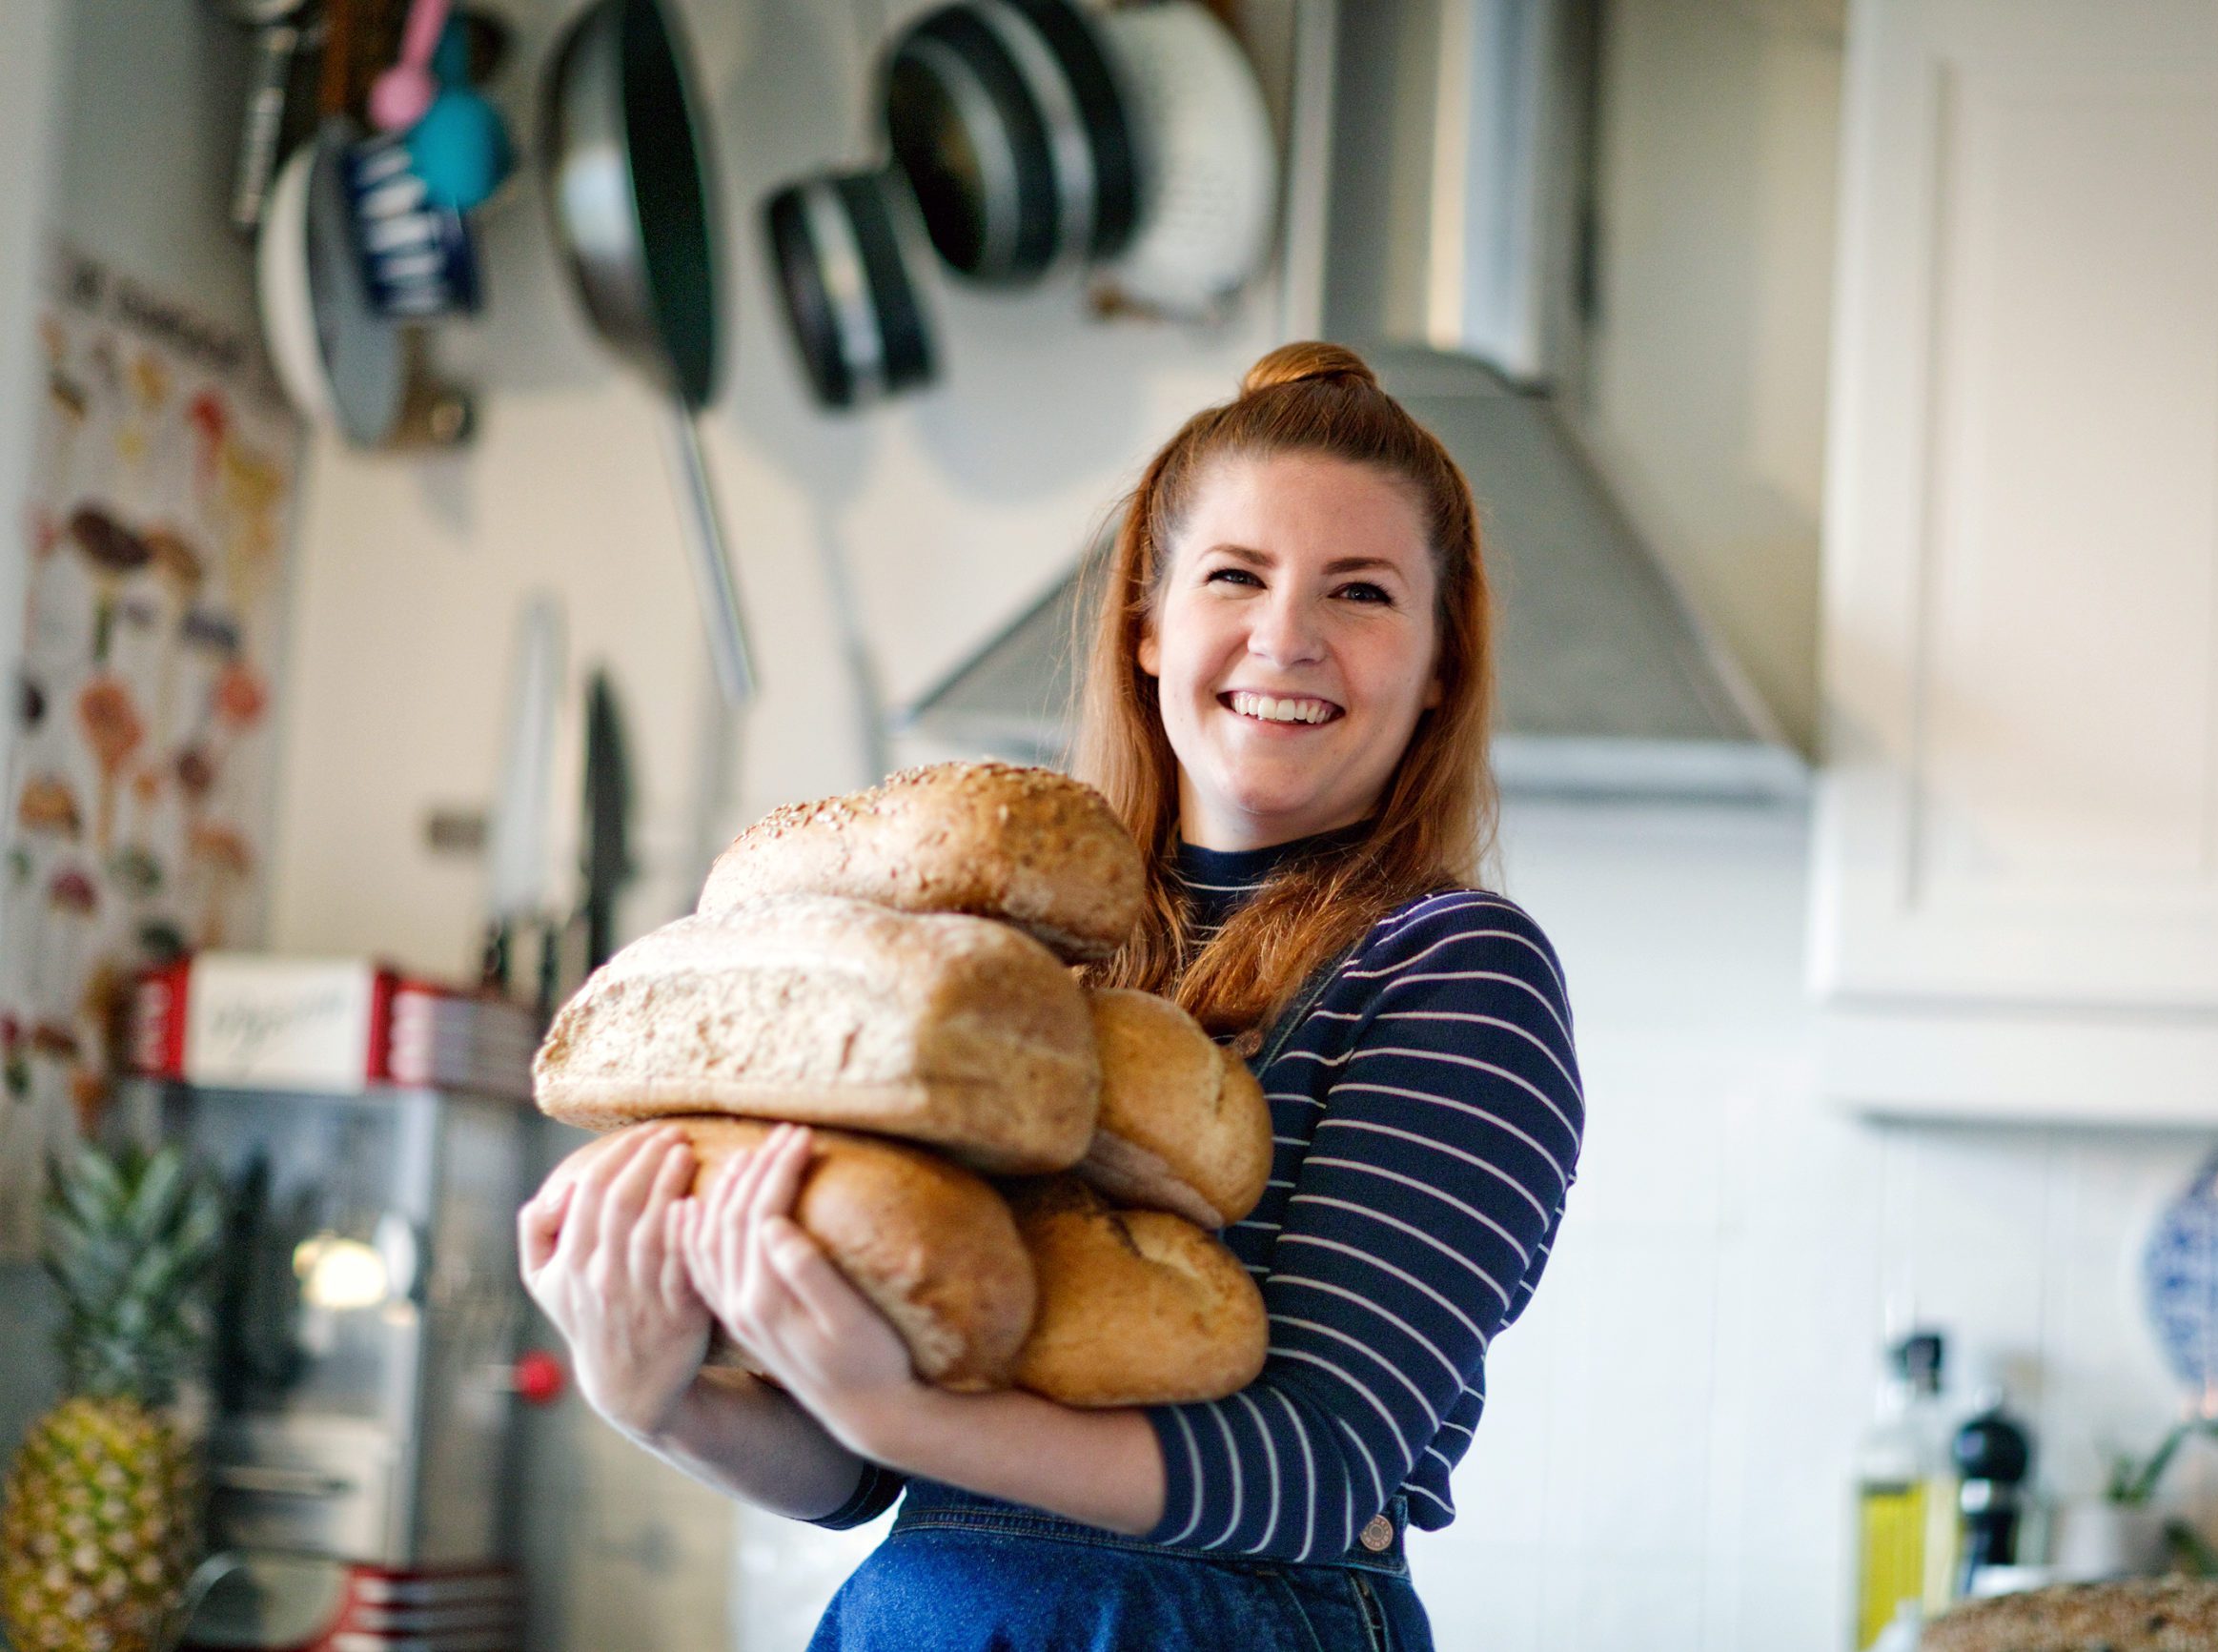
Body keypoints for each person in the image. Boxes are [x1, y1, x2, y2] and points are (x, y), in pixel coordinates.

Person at [517, 341, 1586, 1651]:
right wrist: (666, 1400)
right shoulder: (1001, 964)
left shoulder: (1457, 969)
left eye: (1359, 592)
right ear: (1147, 627)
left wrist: (906, 1418)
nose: (1287, 635)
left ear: (1438, 665)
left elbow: (1319, 1468)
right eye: (1235, 576)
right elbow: (861, 1472)